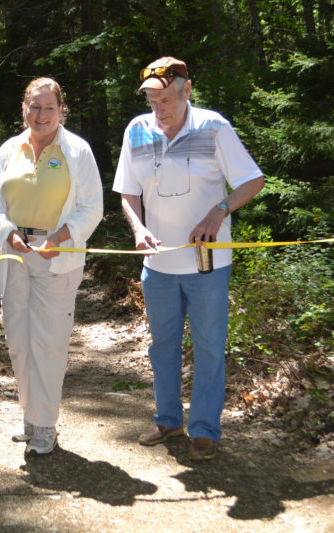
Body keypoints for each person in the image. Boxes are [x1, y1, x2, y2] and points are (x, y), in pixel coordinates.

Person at [112, 57, 265, 460]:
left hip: (207, 266)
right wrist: (138, 228)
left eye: (165, 98)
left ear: (186, 90)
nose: (158, 108)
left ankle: (204, 429)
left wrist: (218, 211)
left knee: (209, 346)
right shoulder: (137, 130)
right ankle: (167, 418)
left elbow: (253, 180)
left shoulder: (214, 127)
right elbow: (127, 191)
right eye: (151, 99)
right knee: (162, 345)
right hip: (157, 266)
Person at [0, 77, 103, 456]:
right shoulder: (9, 150)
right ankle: (31, 418)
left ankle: (46, 426)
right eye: (35, 106)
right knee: (19, 344)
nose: (41, 114)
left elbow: (91, 208)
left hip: (57, 258)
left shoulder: (77, 151)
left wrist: (60, 238)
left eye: (49, 107)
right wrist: (8, 234)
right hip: (14, 255)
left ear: (61, 110)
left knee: (48, 345)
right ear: (23, 108)